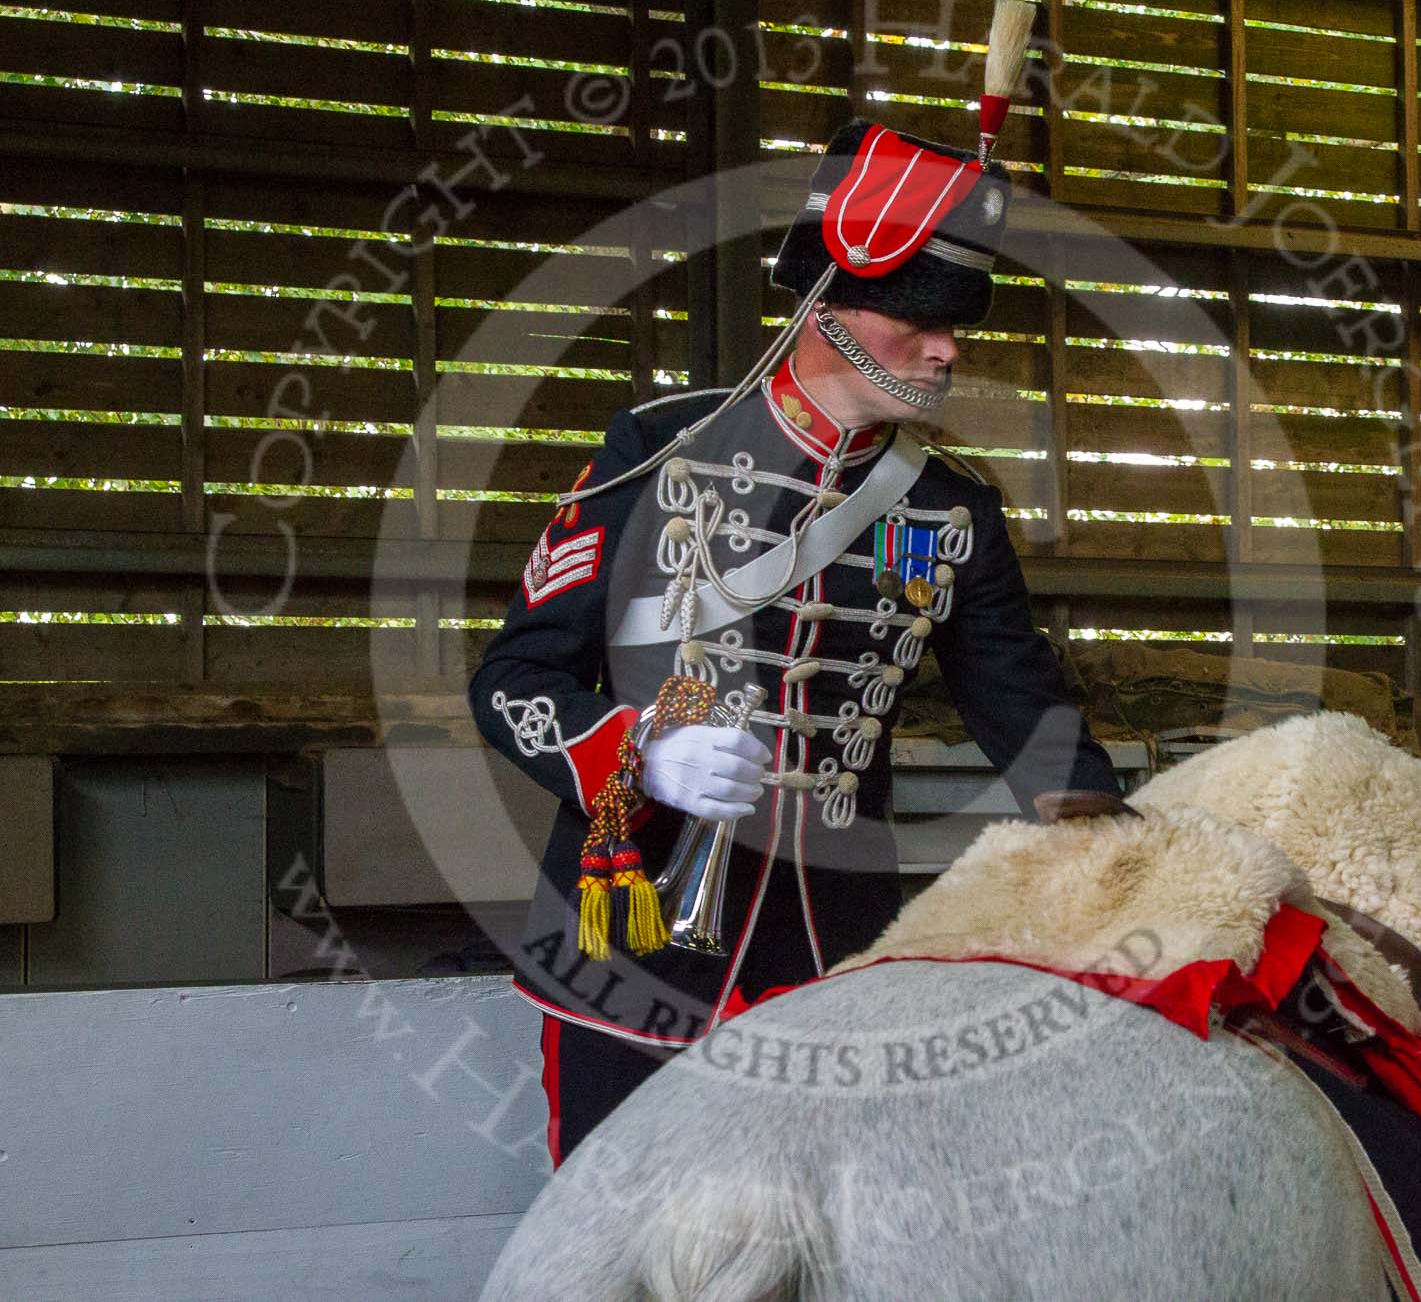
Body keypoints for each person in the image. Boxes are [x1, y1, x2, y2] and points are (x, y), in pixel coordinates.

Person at [468, 115, 1122, 1165]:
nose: (948, 347)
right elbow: (511, 680)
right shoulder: (659, 449)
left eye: (954, 323)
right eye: (919, 320)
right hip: (634, 943)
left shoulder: (951, 511)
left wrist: (1122, 852)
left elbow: (1022, 710)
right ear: (833, 312)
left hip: (833, 952)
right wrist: (636, 755)